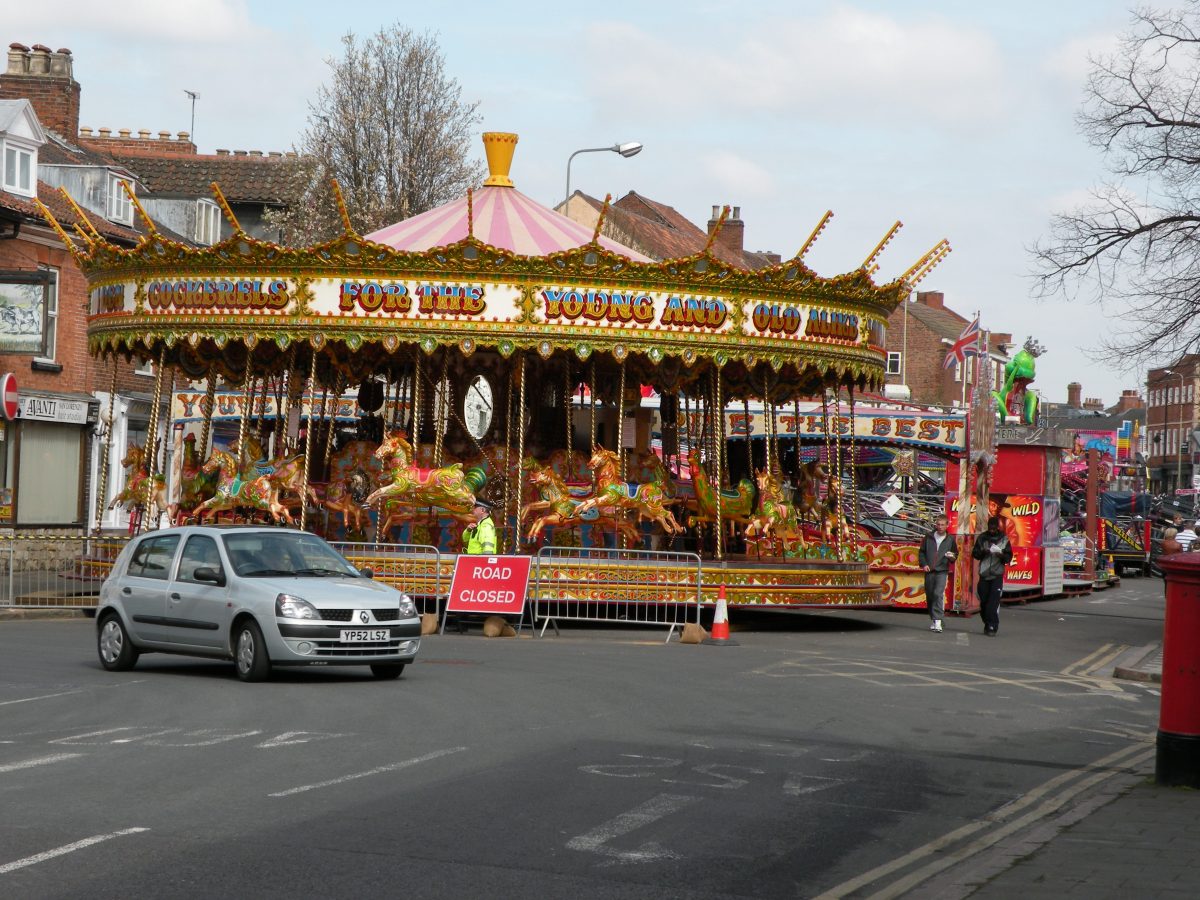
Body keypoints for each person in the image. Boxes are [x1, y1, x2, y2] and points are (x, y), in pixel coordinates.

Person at [973, 515, 1013, 637]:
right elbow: (975, 553)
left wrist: (1001, 555)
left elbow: (1008, 557)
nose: (992, 530)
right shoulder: (982, 538)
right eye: (990, 528)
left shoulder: (1004, 539)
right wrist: (983, 552)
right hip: (984, 574)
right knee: (984, 602)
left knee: (993, 602)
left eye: (994, 528)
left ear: (997, 528)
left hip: (997, 574)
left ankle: (992, 626)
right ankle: (987, 622)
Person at [918, 514, 956, 633]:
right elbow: (922, 552)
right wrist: (924, 564)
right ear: (936, 525)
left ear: (947, 525)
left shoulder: (950, 539)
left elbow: (955, 554)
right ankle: (934, 619)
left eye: (942, 525)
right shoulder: (928, 537)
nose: (940, 527)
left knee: (938, 593)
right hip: (929, 570)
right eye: (938, 524)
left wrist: (951, 557)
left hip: (942, 570)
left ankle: (938, 621)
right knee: (930, 595)